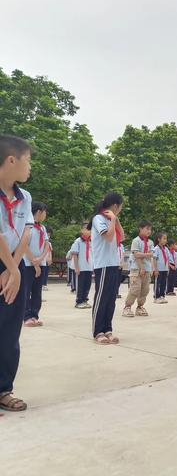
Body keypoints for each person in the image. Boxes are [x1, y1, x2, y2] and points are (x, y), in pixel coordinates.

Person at [0, 134, 34, 412]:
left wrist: (16, 268)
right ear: (11, 160)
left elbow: (26, 232)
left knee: (10, 329)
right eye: (28, 160)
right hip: (7, 264)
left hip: (15, 263)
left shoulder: (25, 197)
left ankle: (3, 389)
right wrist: (11, 269)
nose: (29, 166)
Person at [88, 192, 125, 344]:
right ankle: (98, 331)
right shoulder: (99, 218)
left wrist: (116, 221)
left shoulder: (111, 220)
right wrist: (113, 220)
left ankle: (108, 329)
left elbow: (121, 237)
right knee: (102, 297)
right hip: (103, 264)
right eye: (120, 206)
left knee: (111, 299)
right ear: (115, 206)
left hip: (113, 264)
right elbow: (108, 237)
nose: (120, 209)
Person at [23, 201, 49, 327]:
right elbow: (23, 245)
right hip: (28, 264)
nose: (45, 214)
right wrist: (34, 261)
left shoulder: (42, 228)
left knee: (37, 291)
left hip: (41, 263)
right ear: (39, 211)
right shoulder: (27, 225)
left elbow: (46, 245)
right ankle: (26, 316)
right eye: (45, 211)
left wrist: (41, 259)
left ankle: (35, 315)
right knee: (27, 290)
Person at [123, 220, 154, 317]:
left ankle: (140, 307)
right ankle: (127, 307)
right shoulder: (136, 241)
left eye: (150, 229)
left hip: (147, 268)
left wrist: (143, 255)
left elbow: (152, 254)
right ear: (140, 229)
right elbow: (136, 255)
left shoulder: (150, 242)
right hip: (136, 268)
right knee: (135, 289)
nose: (149, 231)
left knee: (145, 289)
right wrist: (142, 267)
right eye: (147, 229)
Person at [71, 223, 93, 309]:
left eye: (90, 229)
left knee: (87, 284)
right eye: (87, 229)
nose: (89, 231)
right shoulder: (78, 241)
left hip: (89, 267)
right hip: (81, 267)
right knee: (80, 285)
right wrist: (77, 267)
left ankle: (85, 300)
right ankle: (79, 301)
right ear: (82, 231)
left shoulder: (92, 241)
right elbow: (75, 254)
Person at [152, 232, 169, 304]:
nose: (165, 240)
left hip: (164, 269)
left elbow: (167, 259)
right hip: (158, 269)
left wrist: (168, 269)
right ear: (159, 239)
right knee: (157, 283)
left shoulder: (166, 249)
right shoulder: (156, 249)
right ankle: (156, 297)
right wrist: (155, 269)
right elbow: (154, 259)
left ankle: (162, 296)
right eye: (164, 239)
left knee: (163, 283)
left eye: (166, 239)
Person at [42, 226, 53, 291]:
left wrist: (50, 258)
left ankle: (45, 284)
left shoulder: (49, 243)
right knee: (42, 272)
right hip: (42, 260)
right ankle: (42, 284)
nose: (48, 237)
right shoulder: (41, 242)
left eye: (49, 235)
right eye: (47, 235)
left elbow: (50, 251)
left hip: (47, 260)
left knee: (46, 273)